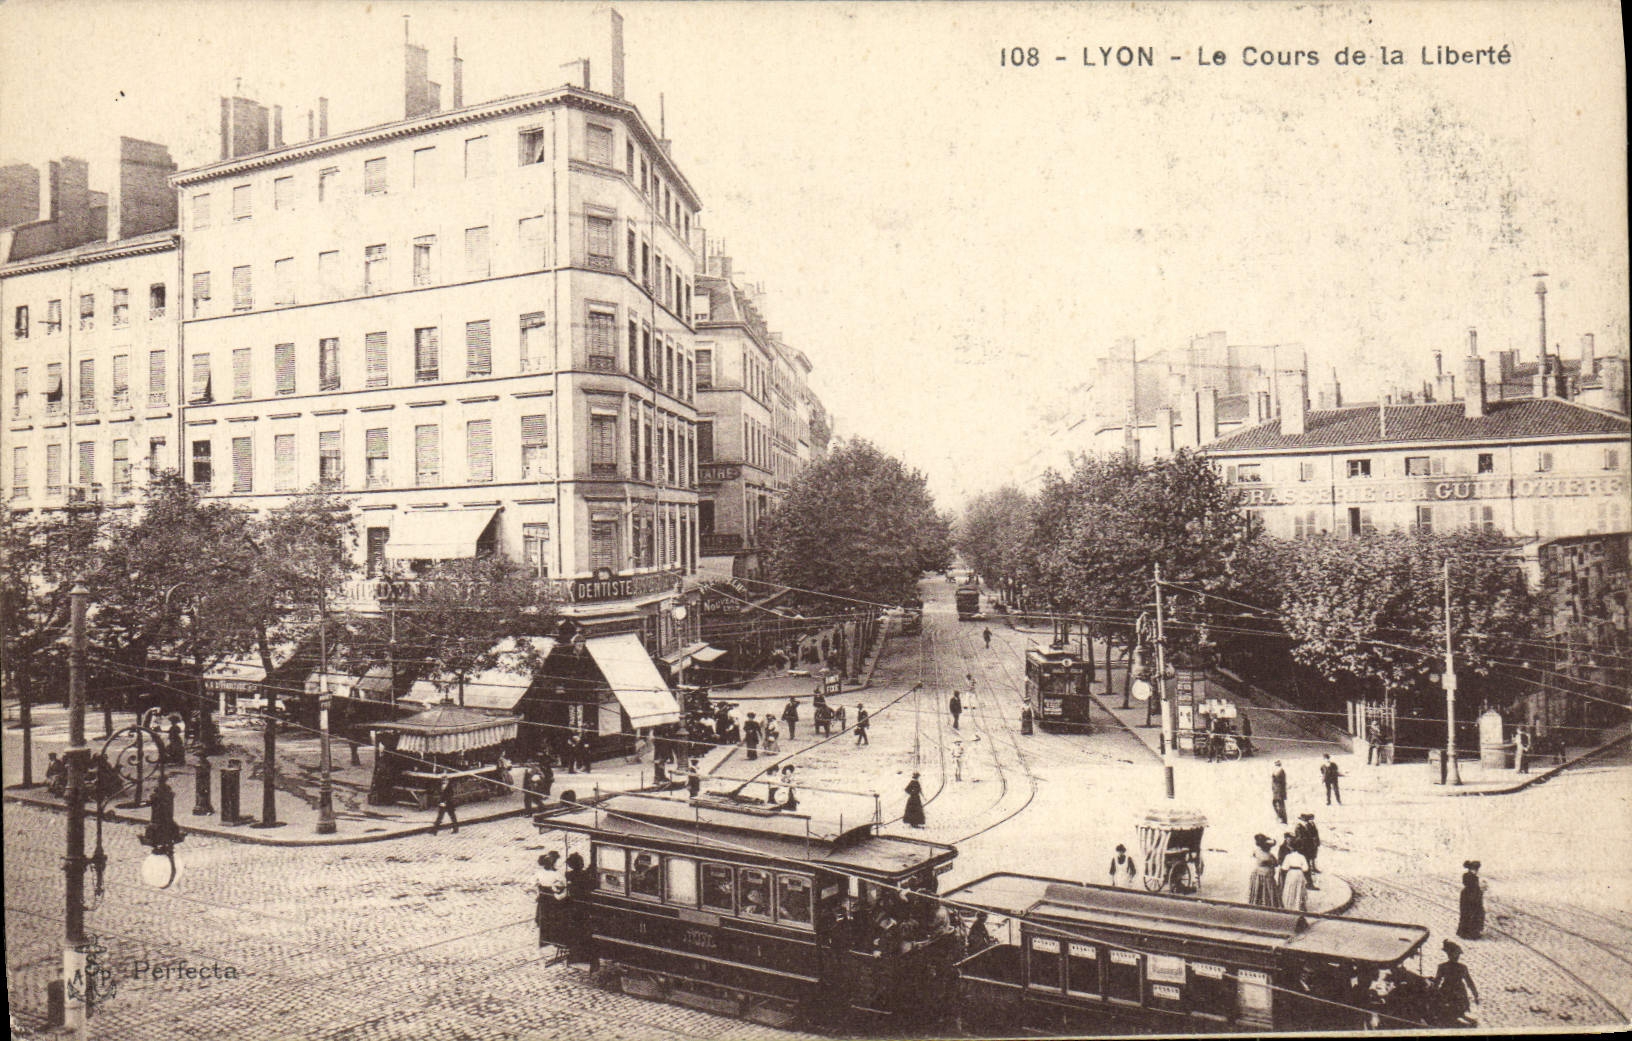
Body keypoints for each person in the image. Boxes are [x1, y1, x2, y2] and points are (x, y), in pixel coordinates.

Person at [1433, 939, 1480, 1026]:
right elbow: (1469, 982)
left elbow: (1437, 982)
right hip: (1459, 992)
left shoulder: (1443, 966)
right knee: (1457, 1011)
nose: (1457, 957)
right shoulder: (1462, 967)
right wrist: (1475, 994)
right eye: (1456, 955)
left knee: (1448, 1011)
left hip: (1447, 991)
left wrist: (1434, 992)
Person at [564, 852, 594, 966]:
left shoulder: (568, 875)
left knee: (576, 931)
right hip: (583, 907)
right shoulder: (584, 875)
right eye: (581, 862)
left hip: (573, 906)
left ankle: (575, 954)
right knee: (584, 930)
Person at [534, 852, 567, 947]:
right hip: (553, 899)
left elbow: (533, 883)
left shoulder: (539, 873)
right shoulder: (557, 874)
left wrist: (538, 891)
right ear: (553, 863)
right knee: (556, 918)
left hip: (543, 899)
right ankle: (557, 939)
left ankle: (545, 939)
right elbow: (564, 884)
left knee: (545, 918)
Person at [1248, 834, 1282, 908]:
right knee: (1268, 891)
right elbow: (1276, 863)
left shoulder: (1257, 851)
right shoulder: (1269, 855)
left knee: (1258, 890)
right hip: (1267, 875)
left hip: (1258, 873)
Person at [1457, 861, 1485, 940]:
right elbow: (1470, 886)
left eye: (1476, 869)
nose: (1476, 871)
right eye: (1474, 869)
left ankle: (1470, 933)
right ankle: (1469, 934)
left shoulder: (1472, 876)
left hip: (1472, 896)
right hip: (1469, 897)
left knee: (1474, 914)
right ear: (1470, 869)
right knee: (1470, 914)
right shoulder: (1468, 876)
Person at [1279, 844, 1311, 911]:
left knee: (1290, 888)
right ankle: (1298, 906)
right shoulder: (1302, 856)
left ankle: (1289, 905)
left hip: (1291, 873)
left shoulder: (1288, 856)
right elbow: (1306, 868)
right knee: (1299, 889)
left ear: (1291, 848)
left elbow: (1284, 867)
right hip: (1299, 873)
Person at [1296, 813, 1322, 888]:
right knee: (1305, 866)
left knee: (1307, 864)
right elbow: (1300, 838)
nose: (1307, 822)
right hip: (1303, 849)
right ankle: (1308, 883)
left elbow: (1314, 833)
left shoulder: (1309, 825)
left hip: (1309, 848)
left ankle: (1308, 882)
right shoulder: (1299, 827)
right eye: (1305, 820)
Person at [1271, 760, 1289, 825]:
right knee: (1277, 804)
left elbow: (1282, 783)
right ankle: (1281, 817)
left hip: (1279, 792)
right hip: (1276, 792)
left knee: (1280, 806)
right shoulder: (1277, 771)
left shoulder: (1280, 772)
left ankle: (1283, 819)